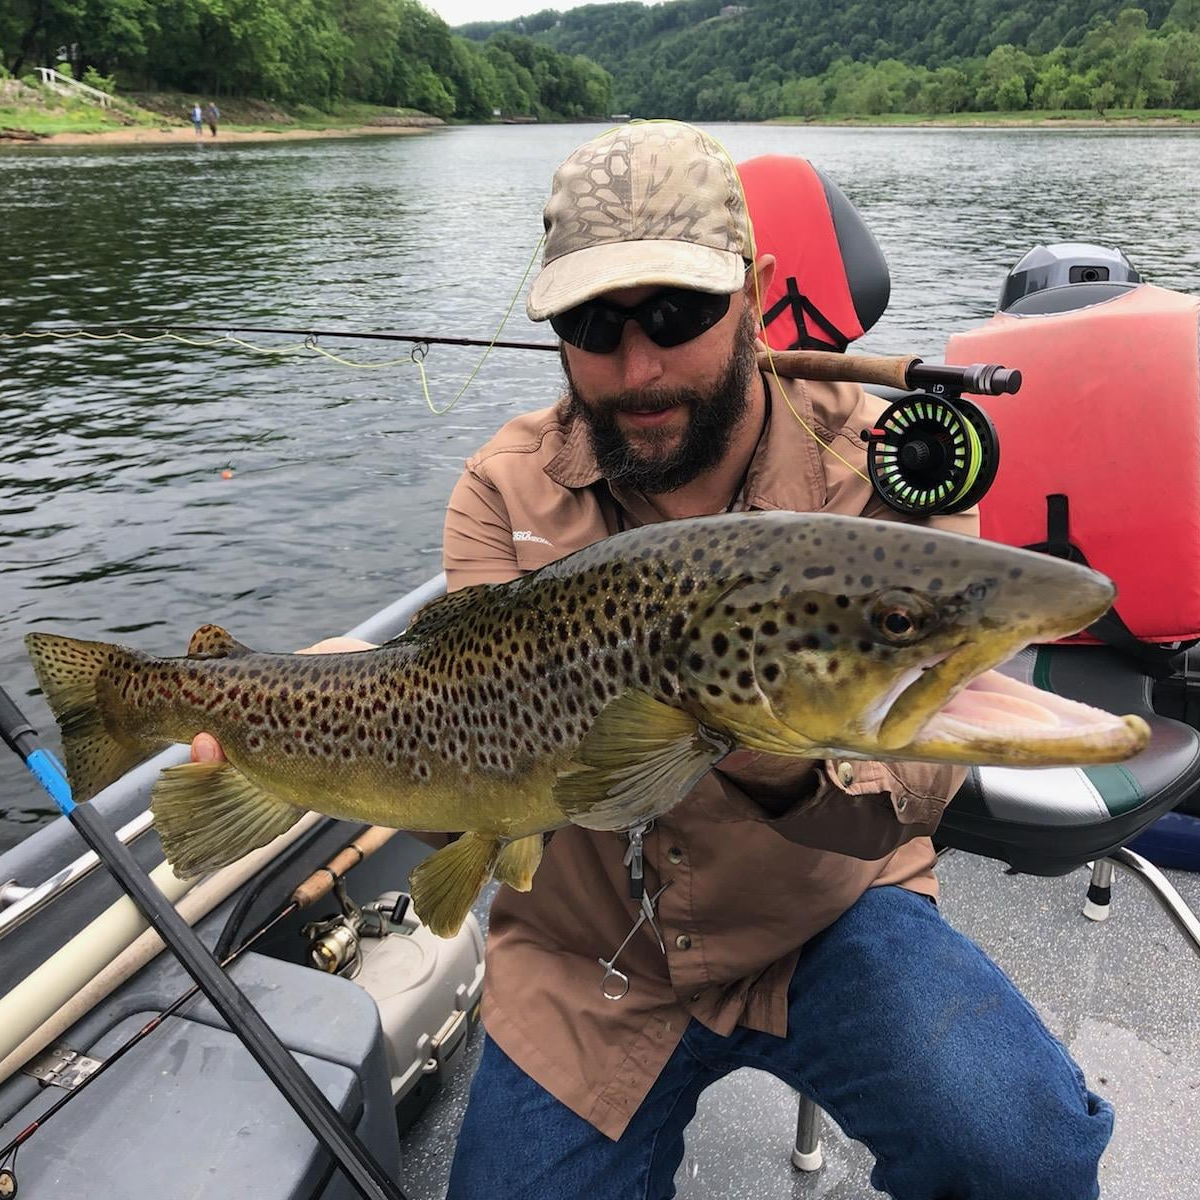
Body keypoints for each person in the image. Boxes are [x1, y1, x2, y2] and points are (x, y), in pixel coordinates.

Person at [190, 121, 1113, 1199]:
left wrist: (774, 763)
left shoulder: (886, 472)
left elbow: (921, 782)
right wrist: (310, 715)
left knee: (1026, 1155)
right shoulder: (503, 491)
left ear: (756, 292)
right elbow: (472, 769)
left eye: (676, 315)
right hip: (589, 954)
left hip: (824, 916)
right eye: (593, 323)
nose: (637, 367)